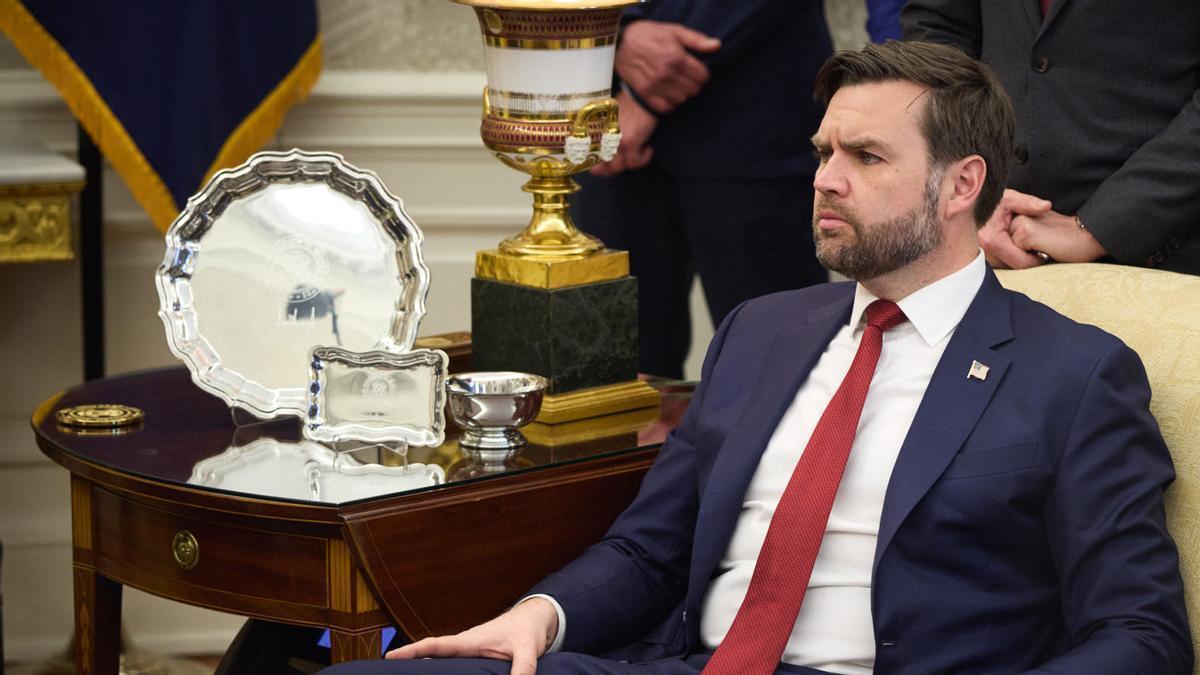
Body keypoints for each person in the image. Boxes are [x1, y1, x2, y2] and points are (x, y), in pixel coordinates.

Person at [320, 41, 1191, 675]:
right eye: (822, 154)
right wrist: (538, 619)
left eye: (866, 156)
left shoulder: (1074, 374)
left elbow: (1141, 631)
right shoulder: (761, 332)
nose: (824, 180)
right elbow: (648, 553)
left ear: (962, 185)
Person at [573, 1, 905, 380]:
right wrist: (616, 30)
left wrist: (648, 84)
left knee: (771, 376)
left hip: (751, 121)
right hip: (602, 114)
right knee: (611, 379)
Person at [901, 2, 1200, 274]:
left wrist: (1099, 226)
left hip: (1163, 255)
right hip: (987, 242)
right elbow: (938, 26)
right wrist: (970, 192)